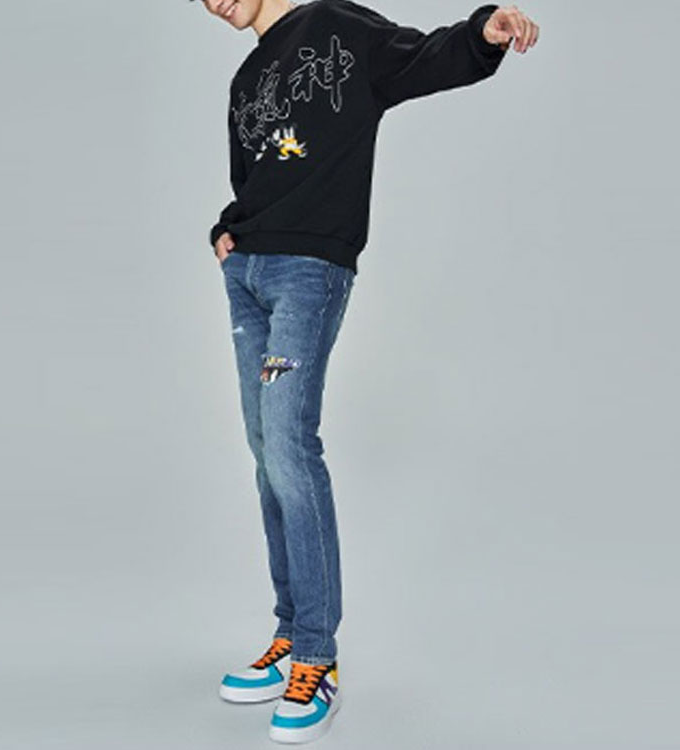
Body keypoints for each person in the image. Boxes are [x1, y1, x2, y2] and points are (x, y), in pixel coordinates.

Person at [196, 0, 539, 742]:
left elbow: (420, 59)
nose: (212, 1)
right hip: (247, 272)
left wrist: (482, 33)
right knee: (266, 453)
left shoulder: (334, 28)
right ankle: (290, 632)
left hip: (307, 270)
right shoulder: (246, 79)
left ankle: (317, 658)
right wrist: (226, 229)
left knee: (291, 448)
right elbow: (256, 180)